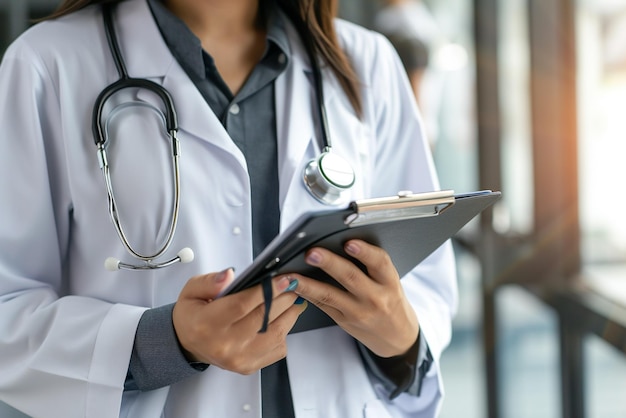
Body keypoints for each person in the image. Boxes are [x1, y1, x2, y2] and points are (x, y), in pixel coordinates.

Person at [0, 0, 458, 417]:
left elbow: (426, 288)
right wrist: (170, 342)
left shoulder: (366, 62)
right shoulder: (47, 63)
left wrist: (402, 338)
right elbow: (9, 314)